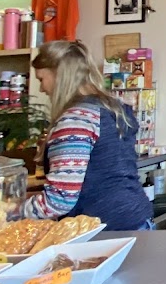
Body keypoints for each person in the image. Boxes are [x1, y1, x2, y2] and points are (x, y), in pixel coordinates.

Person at [15, 40, 154, 230]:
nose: (42, 89)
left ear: (59, 75)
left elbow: (59, 200)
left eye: (41, 79)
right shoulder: (115, 108)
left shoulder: (75, 119)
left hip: (105, 230)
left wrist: (10, 212)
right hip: (136, 218)